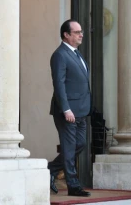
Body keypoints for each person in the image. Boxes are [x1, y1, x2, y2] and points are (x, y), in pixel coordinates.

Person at [48, 19, 91, 197]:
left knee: (79, 144)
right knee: (68, 146)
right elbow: (59, 84)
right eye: (77, 32)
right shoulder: (59, 55)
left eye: (81, 31)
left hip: (81, 110)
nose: (81, 34)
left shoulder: (76, 54)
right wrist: (66, 109)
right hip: (67, 111)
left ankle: (49, 169)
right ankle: (73, 185)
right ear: (66, 35)